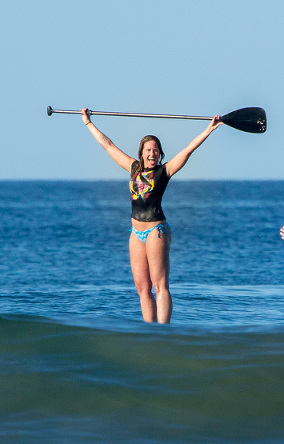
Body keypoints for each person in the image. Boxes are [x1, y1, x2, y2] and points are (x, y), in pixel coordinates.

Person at [81, 108, 222, 323]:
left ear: (160, 154)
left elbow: (187, 151)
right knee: (143, 288)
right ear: (141, 152)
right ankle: (149, 332)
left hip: (156, 231)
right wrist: (88, 123)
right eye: (148, 150)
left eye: (156, 150)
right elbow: (108, 145)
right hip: (135, 233)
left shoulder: (164, 172)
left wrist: (209, 130)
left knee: (160, 286)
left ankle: (163, 332)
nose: (152, 154)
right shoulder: (133, 167)